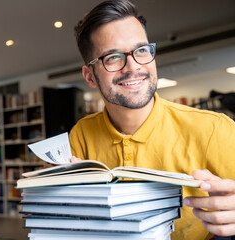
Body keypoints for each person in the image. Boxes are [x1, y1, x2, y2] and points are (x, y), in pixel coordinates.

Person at [69, 0, 235, 239]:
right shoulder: (81, 135)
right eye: (113, 57)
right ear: (90, 77)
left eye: (141, 50)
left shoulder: (215, 129)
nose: (133, 66)